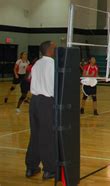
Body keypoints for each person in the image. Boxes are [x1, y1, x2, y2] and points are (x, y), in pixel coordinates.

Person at [25, 41, 56, 180]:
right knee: (47, 136)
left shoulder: (37, 64)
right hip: (46, 102)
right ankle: (49, 169)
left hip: (34, 102)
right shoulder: (52, 65)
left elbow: (31, 80)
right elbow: (54, 87)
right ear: (49, 50)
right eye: (54, 47)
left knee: (35, 134)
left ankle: (31, 167)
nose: (55, 49)